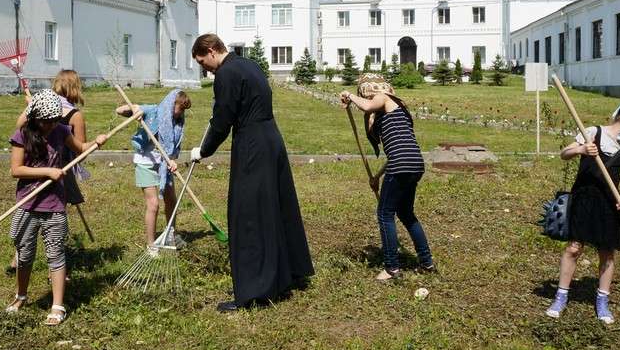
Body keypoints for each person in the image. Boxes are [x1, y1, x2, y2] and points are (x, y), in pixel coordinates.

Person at [189, 34, 313, 312]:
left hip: (252, 144)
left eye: (202, 62)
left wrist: (204, 150)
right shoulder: (250, 65)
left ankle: (255, 290)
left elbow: (222, 120)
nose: (205, 68)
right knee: (276, 206)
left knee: (248, 214)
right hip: (272, 139)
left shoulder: (226, 74)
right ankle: (289, 273)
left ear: (210, 51)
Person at [545, 98, 620, 324]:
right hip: (584, 200)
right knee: (574, 249)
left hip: (609, 204)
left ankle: (602, 300)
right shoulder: (592, 133)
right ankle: (561, 296)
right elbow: (563, 154)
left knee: (607, 252)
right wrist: (581, 149)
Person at [6, 89, 107, 325]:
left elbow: (80, 148)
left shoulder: (61, 130)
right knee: (24, 254)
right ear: (35, 118)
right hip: (28, 203)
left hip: (54, 205)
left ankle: (57, 305)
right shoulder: (22, 135)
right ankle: (21, 295)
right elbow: (16, 170)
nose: (51, 126)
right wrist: (47, 172)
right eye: (47, 122)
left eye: (54, 121)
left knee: (56, 253)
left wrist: (97, 142)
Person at [341, 74, 434, 281]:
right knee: (406, 214)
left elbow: (366, 106)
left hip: (402, 165)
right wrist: (376, 176)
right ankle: (427, 262)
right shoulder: (397, 110)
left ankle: (392, 268)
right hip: (414, 164)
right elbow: (399, 152)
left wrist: (348, 95)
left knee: (385, 214)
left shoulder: (383, 98)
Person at [9, 70, 89, 275]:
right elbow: (81, 151)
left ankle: (32, 256)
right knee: (46, 210)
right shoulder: (74, 114)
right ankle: (36, 252)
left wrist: (30, 107)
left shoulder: (43, 107)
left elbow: (18, 126)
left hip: (46, 167)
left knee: (42, 210)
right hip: (60, 168)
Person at [115, 89, 192, 251]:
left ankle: (171, 234)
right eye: (180, 108)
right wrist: (135, 110)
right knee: (154, 204)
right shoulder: (153, 111)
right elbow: (119, 110)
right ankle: (151, 244)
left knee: (171, 199)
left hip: (164, 165)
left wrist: (172, 161)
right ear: (172, 104)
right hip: (146, 163)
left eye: (184, 110)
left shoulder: (177, 123)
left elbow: (171, 149)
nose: (181, 113)